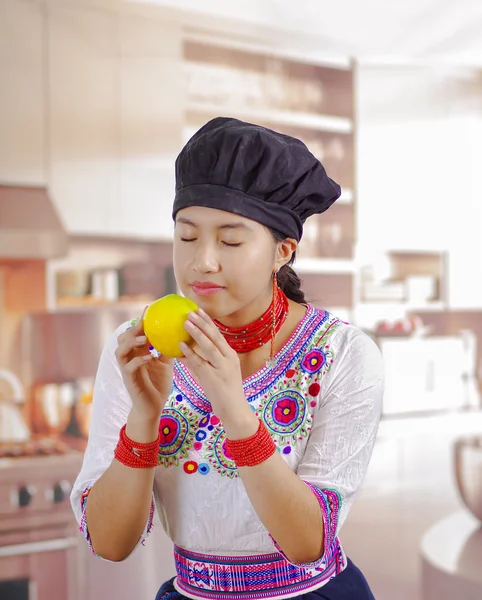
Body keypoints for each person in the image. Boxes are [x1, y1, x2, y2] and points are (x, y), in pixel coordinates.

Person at [71, 117, 384, 600]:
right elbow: (110, 543)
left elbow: (307, 543)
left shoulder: (341, 354)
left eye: (231, 240)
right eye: (187, 236)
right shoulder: (137, 352)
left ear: (283, 250)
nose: (203, 262)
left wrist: (233, 408)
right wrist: (144, 417)